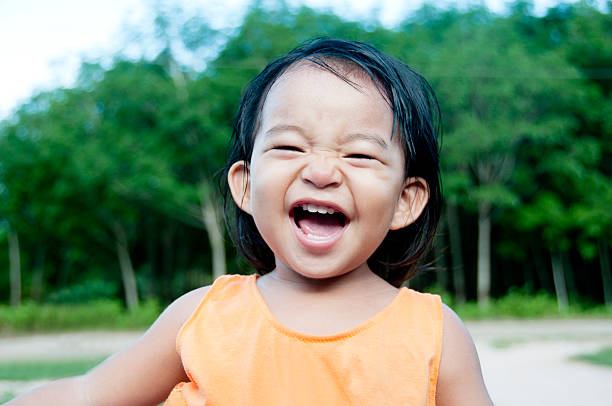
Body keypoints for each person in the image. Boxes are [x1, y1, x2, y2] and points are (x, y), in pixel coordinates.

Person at [4, 38, 493, 406]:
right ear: (244, 184)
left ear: (406, 200)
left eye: (360, 154)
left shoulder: (433, 335)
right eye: (289, 146)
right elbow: (88, 394)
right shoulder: (201, 318)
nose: (321, 171)